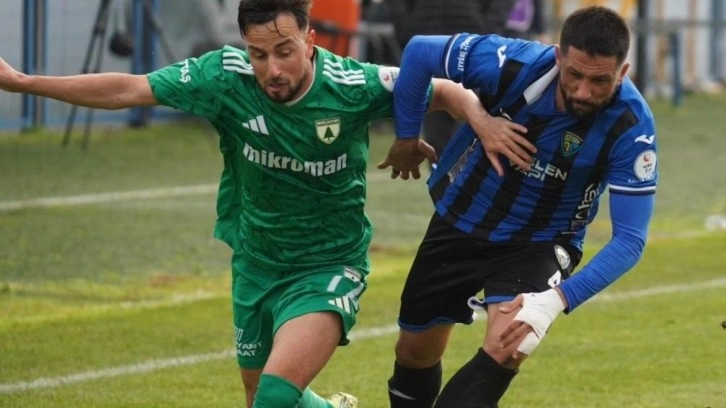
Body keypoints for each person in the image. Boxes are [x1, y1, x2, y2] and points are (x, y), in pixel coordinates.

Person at [0, 0, 532, 407]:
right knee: (262, 397)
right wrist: (23, 82)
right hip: (256, 262)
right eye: (258, 54)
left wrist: (465, 125)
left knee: (275, 397)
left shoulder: (351, 85)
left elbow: (446, 90)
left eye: (284, 51)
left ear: (309, 40)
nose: (271, 68)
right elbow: (128, 89)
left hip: (328, 264)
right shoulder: (223, 77)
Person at [380, 6, 657, 407]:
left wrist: (557, 299)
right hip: (462, 219)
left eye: (600, 80)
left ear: (623, 72)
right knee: (415, 353)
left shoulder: (632, 126)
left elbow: (630, 239)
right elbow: (420, 52)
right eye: (574, 75)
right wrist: (407, 137)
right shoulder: (511, 63)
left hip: (542, 240)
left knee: (511, 343)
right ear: (558, 57)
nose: (583, 91)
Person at [388, 0, 518, 160]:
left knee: (472, 132)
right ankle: (439, 175)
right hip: (429, 46)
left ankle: (469, 173)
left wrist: (487, 28)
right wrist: (407, 26)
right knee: (436, 137)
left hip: (471, 48)